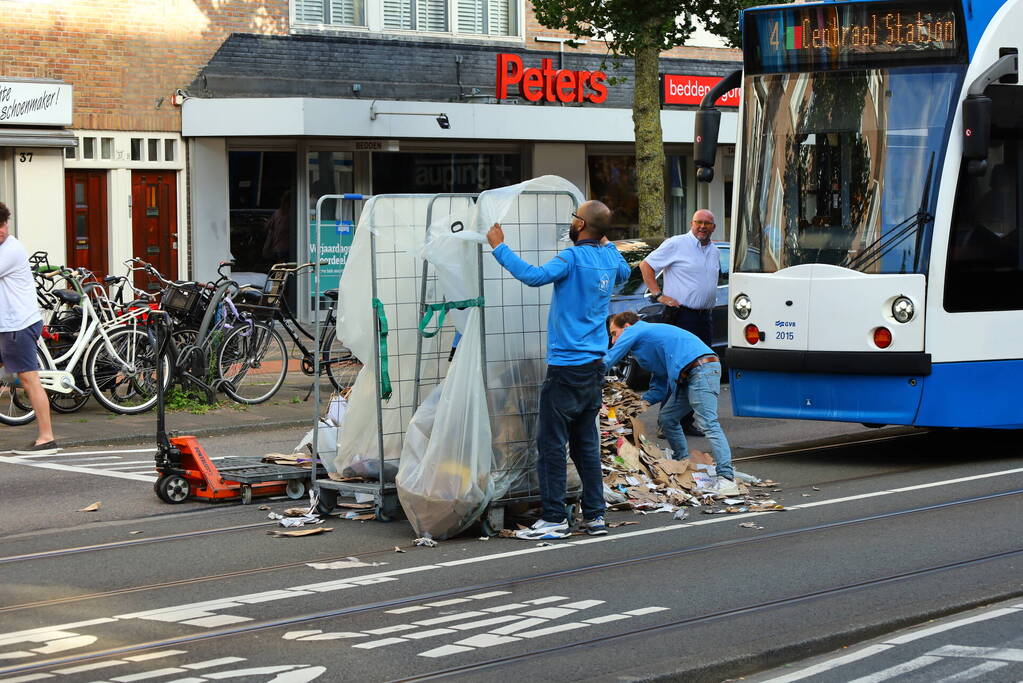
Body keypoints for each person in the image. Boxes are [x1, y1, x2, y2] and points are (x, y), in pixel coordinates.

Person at [487, 200, 631, 540]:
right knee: (585, 442)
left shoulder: (571, 258)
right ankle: (595, 516)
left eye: (574, 217)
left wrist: (499, 247)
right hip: (594, 365)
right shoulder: (609, 259)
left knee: (551, 444)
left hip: (566, 364)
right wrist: (606, 240)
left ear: (581, 225)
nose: (570, 222)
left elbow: (533, 276)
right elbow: (624, 272)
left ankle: (554, 517)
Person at [605, 311, 738, 496]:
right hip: (690, 373)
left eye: (613, 333)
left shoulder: (636, 330)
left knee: (708, 423)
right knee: (668, 418)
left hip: (701, 368)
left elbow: (609, 359)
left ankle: (726, 478)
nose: (613, 341)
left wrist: (584, 371)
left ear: (626, 328)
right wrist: (638, 405)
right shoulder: (646, 345)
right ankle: (681, 463)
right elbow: (659, 386)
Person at [639, 208, 721, 436]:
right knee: (678, 369)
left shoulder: (713, 251)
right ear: (691, 223)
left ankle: (685, 421)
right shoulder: (677, 243)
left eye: (707, 223)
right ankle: (666, 422)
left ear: (714, 227)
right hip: (682, 316)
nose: (702, 227)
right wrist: (658, 294)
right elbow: (646, 265)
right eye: (699, 222)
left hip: (704, 317)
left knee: (699, 371)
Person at [0, 202, 57, 454]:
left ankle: (47, 437)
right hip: (6, 324)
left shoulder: (11, 250)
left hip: (18, 324)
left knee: (28, 378)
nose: (2, 230)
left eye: (2, 224)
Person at [262, 190, 292, 265]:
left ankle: (279, 276)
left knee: (281, 269)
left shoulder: (277, 213)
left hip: (277, 248)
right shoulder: (292, 214)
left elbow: (266, 227)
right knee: (284, 270)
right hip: (286, 248)